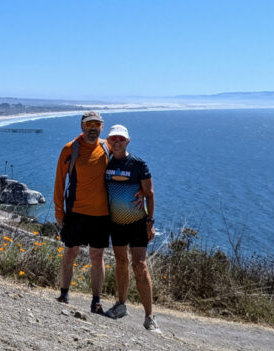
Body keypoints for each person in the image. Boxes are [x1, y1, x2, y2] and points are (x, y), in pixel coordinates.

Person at [103, 124, 160, 332]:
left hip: (137, 223)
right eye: (113, 139)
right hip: (116, 223)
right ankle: (121, 305)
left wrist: (150, 222)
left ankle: (150, 316)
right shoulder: (105, 163)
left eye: (121, 139)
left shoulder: (138, 164)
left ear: (127, 141)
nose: (117, 142)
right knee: (120, 263)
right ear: (109, 141)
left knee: (140, 265)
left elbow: (150, 193)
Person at [53, 111, 110, 314]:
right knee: (70, 253)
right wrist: (59, 210)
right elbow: (60, 181)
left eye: (97, 124)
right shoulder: (70, 149)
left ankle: (96, 301)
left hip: (102, 214)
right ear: (82, 126)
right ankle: (64, 294)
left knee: (97, 258)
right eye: (89, 124)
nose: (93, 128)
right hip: (76, 211)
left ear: (102, 127)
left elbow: (123, 171)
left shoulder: (107, 147)